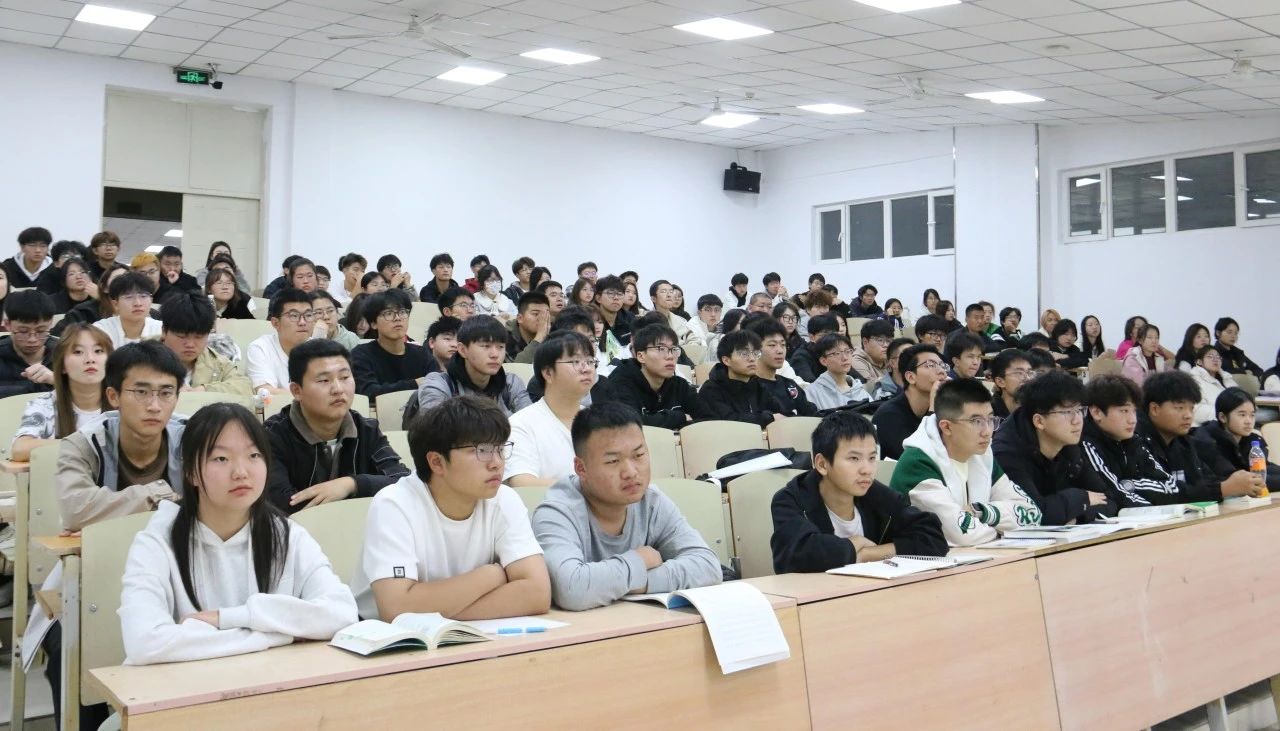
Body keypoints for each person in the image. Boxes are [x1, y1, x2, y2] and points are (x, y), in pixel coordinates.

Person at [118, 401, 358, 666]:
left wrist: (227, 618)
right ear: (190, 473)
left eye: (253, 455)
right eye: (221, 459)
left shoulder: (287, 535)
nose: (241, 472)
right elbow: (145, 643)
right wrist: (280, 635)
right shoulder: (157, 542)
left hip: (271, 683)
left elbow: (342, 613)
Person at [351, 396, 551, 621]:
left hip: (469, 634)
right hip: (386, 637)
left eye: (500, 449)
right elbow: (396, 609)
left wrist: (440, 612)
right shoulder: (394, 505)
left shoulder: (504, 499)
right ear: (436, 462)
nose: (496, 463)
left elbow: (537, 593)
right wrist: (490, 575)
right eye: (482, 450)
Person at [532, 402, 721, 610]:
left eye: (638, 455)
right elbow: (571, 589)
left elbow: (707, 566)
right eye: (613, 461)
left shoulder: (652, 502)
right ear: (581, 468)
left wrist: (639, 581)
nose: (630, 472)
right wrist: (640, 559)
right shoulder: (557, 512)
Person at [771, 411, 947, 573]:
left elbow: (933, 537)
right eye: (854, 458)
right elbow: (795, 555)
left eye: (872, 458)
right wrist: (852, 545)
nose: (867, 470)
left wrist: (867, 555)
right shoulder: (790, 499)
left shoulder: (875, 493)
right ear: (822, 464)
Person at [890, 378, 1042, 545]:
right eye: (976, 422)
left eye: (990, 419)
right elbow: (962, 535)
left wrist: (983, 512)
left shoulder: (982, 454)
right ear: (946, 427)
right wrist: (1004, 532)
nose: (987, 432)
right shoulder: (918, 463)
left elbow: (1032, 514)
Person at [264, 339, 409, 514]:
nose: (338, 389)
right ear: (297, 391)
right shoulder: (271, 435)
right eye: (324, 380)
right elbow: (280, 502)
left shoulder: (366, 429)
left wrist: (351, 484)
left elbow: (403, 481)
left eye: (345, 377)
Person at [992, 370, 1110, 525]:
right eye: (1067, 412)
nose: (1077, 421)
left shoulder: (1068, 441)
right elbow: (1032, 513)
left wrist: (1077, 516)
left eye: (1079, 410)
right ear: (1039, 421)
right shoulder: (1007, 453)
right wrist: (1081, 498)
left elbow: (1107, 499)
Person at [1137, 371, 1263, 504]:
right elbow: (1156, 493)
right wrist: (1223, 489)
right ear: (1155, 409)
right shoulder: (1135, 443)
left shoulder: (1184, 442)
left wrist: (1237, 483)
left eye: (1191, 408)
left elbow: (1205, 480)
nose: (1188, 415)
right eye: (1180, 408)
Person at [504, 332, 595, 487]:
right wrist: (590, 488)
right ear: (548, 373)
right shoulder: (521, 424)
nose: (587, 369)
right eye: (575, 361)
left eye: (590, 361)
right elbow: (522, 483)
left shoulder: (598, 421)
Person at [11, 325, 111, 461]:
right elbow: (20, 449)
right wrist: (82, 444)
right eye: (78, 352)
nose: (90, 359)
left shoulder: (124, 401)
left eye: (98, 351)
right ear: (63, 365)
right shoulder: (45, 404)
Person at [416, 315, 531, 420]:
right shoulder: (439, 383)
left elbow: (530, 423)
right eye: (485, 346)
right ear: (462, 350)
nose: (495, 354)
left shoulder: (510, 383)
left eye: (500, 347)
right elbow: (435, 426)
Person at [607, 323, 703, 429]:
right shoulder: (620, 383)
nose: (670, 356)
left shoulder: (680, 385)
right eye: (661, 349)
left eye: (673, 349)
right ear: (641, 356)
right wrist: (679, 417)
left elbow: (707, 418)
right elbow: (628, 423)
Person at [350, 288, 437, 402]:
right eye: (389, 313)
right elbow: (368, 392)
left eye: (402, 312)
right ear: (373, 323)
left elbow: (438, 384)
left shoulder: (422, 354)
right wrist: (415, 384)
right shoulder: (361, 354)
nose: (397, 318)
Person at [160, 293, 251, 396]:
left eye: (199, 337)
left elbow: (244, 387)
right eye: (182, 336)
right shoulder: (146, 357)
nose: (190, 344)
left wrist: (203, 390)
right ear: (164, 331)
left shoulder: (217, 362)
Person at [1193, 388, 1280, 492]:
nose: (1248, 421)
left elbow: (1264, 469)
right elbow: (1241, 480)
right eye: (1242, 415)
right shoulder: (1208, 442)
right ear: (1222, 417)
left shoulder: (1249, 440)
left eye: (1252, 415)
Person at [873, 344, 948, 461]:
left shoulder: (942, 408)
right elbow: (917, 459)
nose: (941, 371)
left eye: (942, 365)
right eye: (930, 365)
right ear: (911, 377)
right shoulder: (888, 415)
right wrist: (933, 407)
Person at [697, 329, 786, 426]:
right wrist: (768, 417)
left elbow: (782, 413)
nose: (752, 359)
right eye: (744, 354)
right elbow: (729, 421)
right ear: (726, 360)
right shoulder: (711, 390)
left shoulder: (758, 385)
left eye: (756, 353)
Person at [248, 289, 320, 393]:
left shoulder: (319, 349)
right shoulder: (261, 348)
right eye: (294, 316)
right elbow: (266, 392)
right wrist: (311, 395)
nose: (302, 322)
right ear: (275, 323)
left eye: (308, 315)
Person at [745, 318, 818, 417]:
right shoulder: (748, 387)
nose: (780, 351)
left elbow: (811, 413)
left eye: (783, 345)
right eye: (772, 345)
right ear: (755, 349)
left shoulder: (789, 385)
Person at [0, 290, 58, 398]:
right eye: (23, 332)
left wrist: (58, 381)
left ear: (50, 324)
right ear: (7, 325)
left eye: (41, 331)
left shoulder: (66, 354)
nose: (32, 339)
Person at [93, 272, 162, 348]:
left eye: (143, 296)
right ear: (115, 304)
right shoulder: (100, 330)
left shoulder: (161, 329)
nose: (138, 303)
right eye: (129, 297)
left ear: (151, 300)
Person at [807, 334, 872, 411]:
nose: (845, 358)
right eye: (836, 353)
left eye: (847, 351)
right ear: (824, 361)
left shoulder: (858, 388)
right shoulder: (812, 392)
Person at [1189, 344, 1238, 425]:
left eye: (1218, 357)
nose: (1215, 359)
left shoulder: (1227, 378)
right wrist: (1226, 415)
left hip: (1234, 420)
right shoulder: (1194, 380)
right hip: (1209, 425)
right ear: (1199, 362)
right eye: (1210, 356)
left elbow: (1240, 398)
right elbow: (1196, 409)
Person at [7, 226, 60, 293]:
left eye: (43, 246)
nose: (38, 250)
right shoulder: (7, 268)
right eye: (32, 245)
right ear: (22, 247)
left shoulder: (55, 269)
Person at [788, 313, 839, 383]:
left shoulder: (839, 352)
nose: (830, 339)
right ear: (811, 337)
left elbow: (853, 377)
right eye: (825, 335)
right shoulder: (800, 357)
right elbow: (810, 384)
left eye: (834, 334)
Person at [505, 291, 550, 364]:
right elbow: (514, 367)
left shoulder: (554, 334)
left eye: (545, 314)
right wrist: (539, 337)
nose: (542, 318)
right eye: (535, 314)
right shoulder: (504, 336)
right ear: (520, 318)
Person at [989, 348, 1033, 420]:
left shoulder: (1036, 409)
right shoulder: (988, 413)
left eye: (1029, 372)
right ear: (1000, 382)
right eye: (1019, 373)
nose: (1028, 378)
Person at [850, 319, 894, 386]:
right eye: (880, 340)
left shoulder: (891, 358)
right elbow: (871, 389)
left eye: (889, 341)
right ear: (865, 342)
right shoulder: (857, 362)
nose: (886, 345)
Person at [593, 275, 634, 347]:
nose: (616, 298)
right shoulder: (590, 320)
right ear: (598, 298)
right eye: (611, 293)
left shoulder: (630, 318)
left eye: (620, 294)